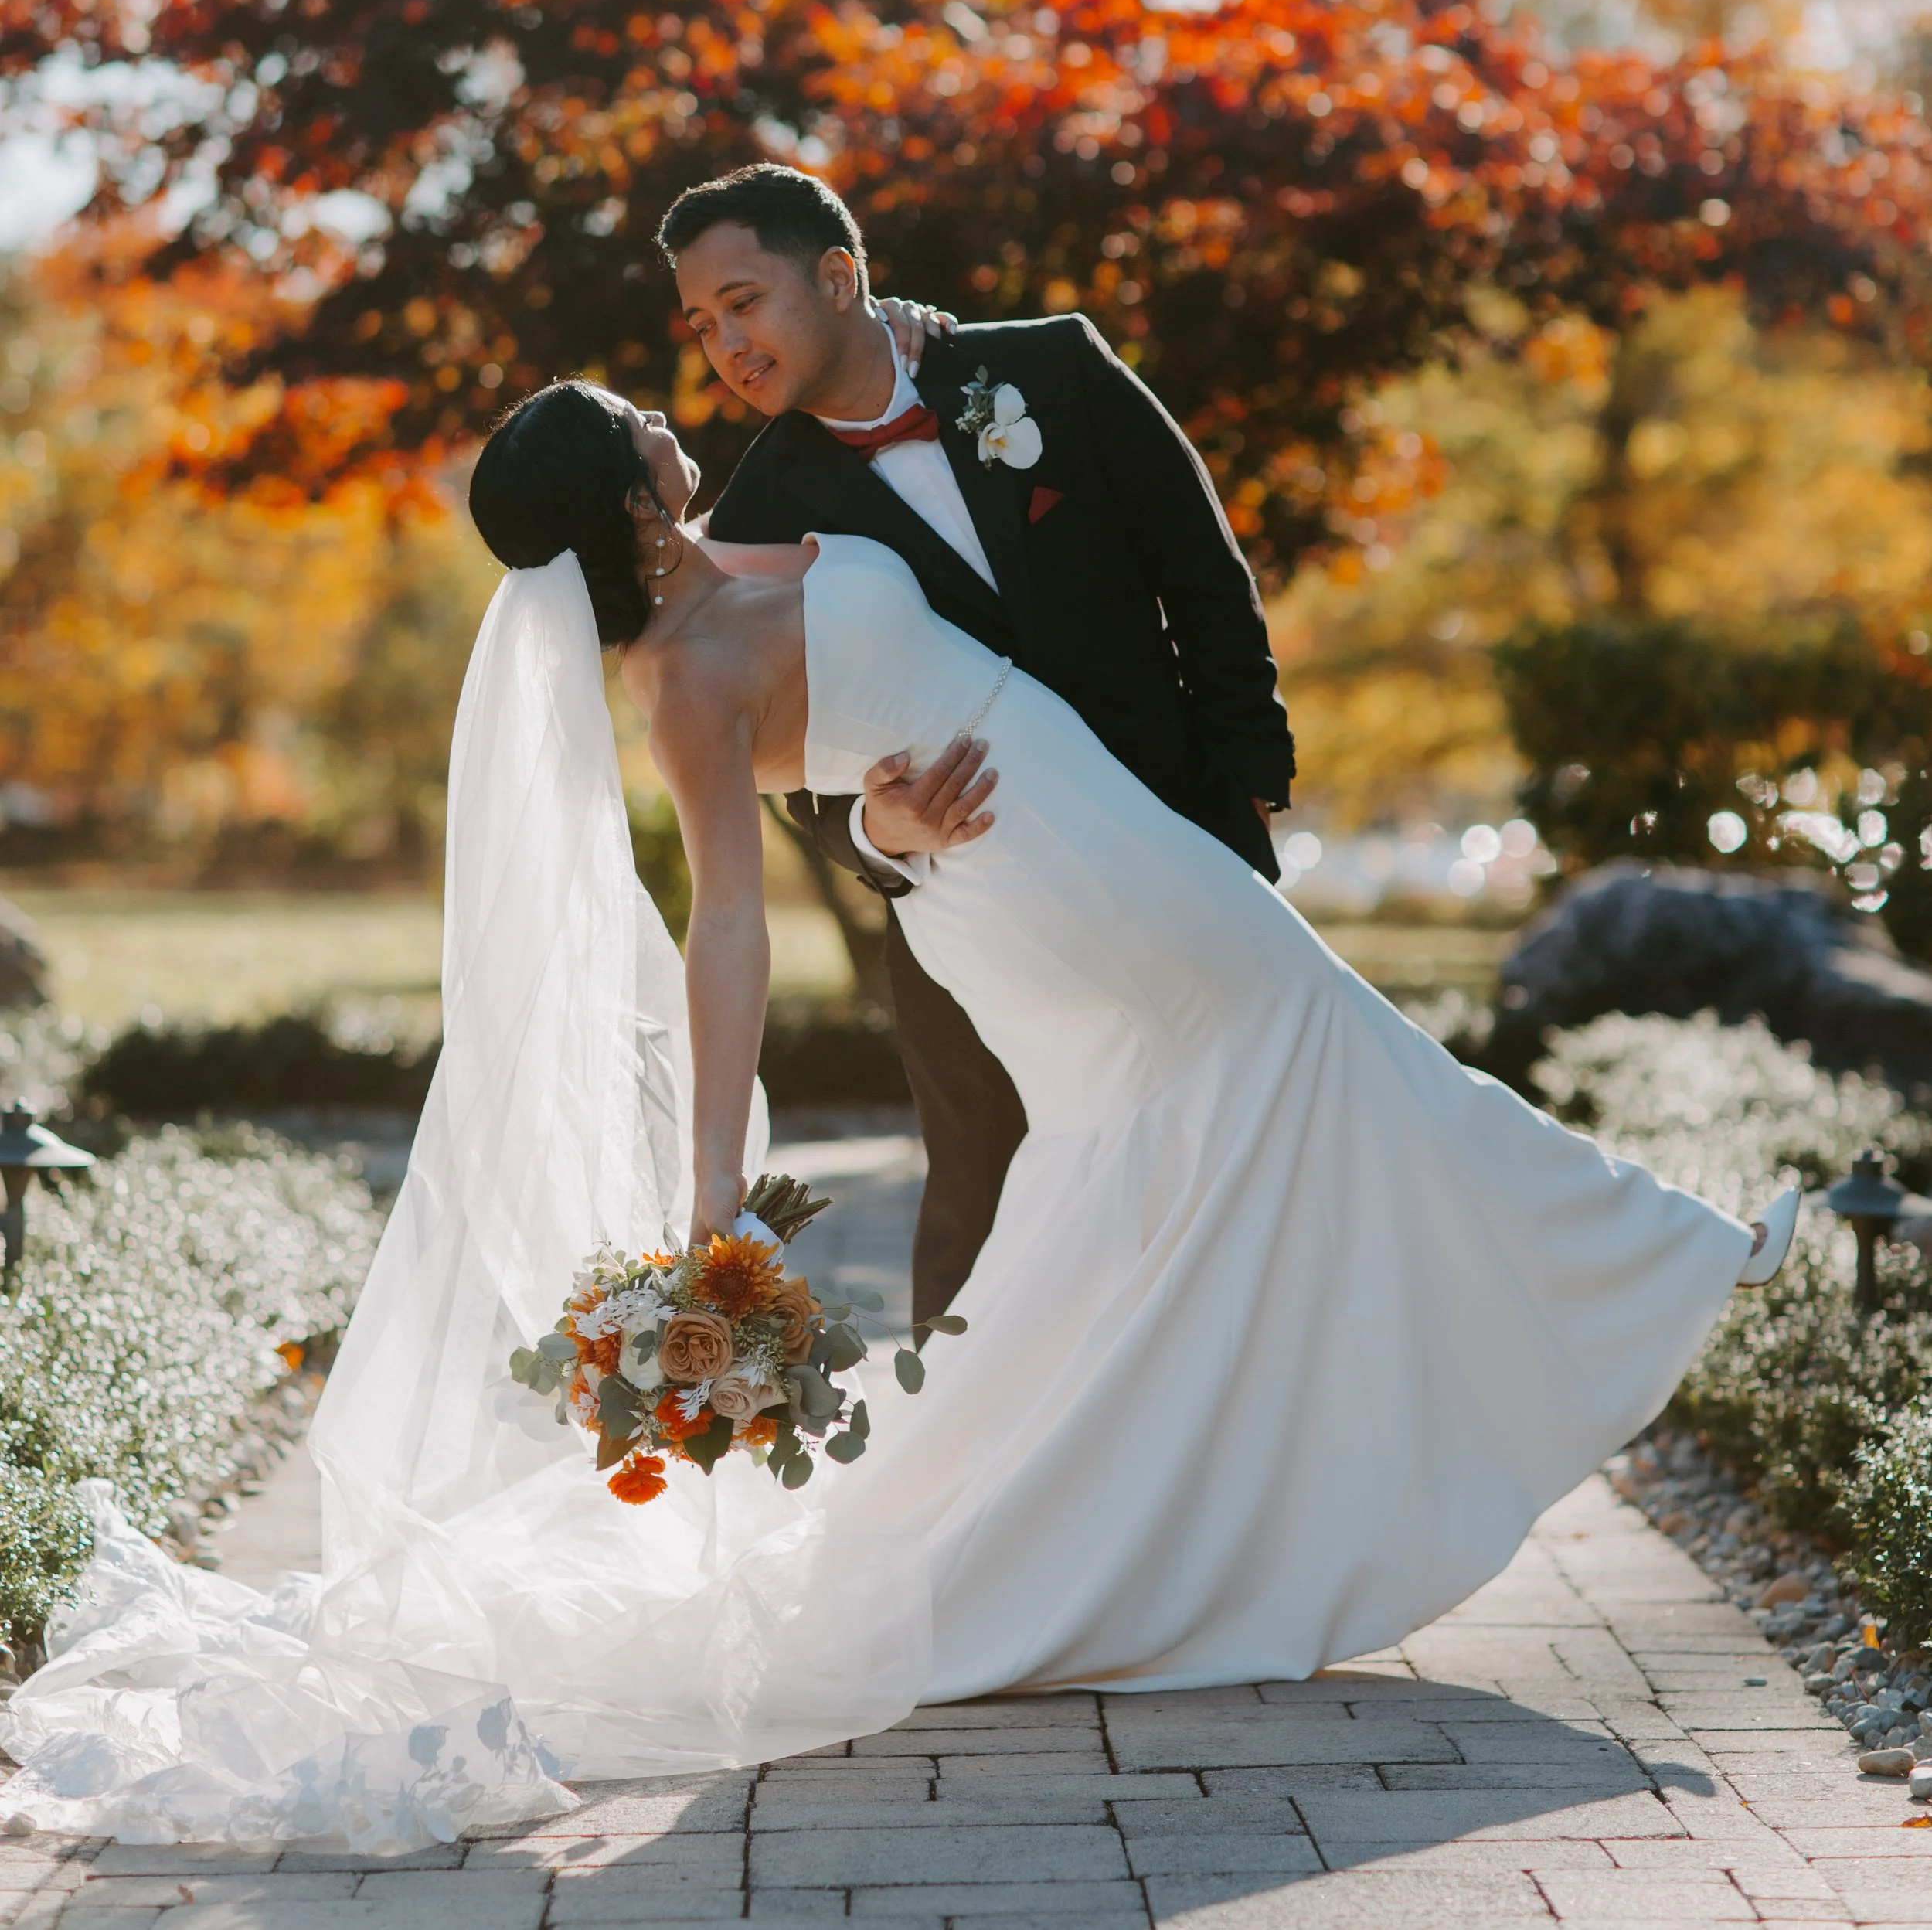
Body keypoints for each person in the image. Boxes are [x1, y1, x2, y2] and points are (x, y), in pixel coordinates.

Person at [0, 380, 1799, 1853]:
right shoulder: (678, 679)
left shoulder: (749, 542)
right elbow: (725, 918)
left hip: (1085, 822)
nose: (666, 397)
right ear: (622, 495)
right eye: (636, 410)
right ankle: (1656, 1260)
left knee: (1203, 1136)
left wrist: (876, 807)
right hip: (1035, 885)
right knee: (1316, 1053)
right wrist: (713, 1192)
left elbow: (896, 604)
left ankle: (1087, 1527)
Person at [659, 163, 1297, 1323]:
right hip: (968, 901)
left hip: (1176, 837)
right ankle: (964, 1489)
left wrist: (1247, 799)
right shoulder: (750, 524)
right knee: (985, 1207)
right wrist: (873, 829)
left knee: (1245, 1153)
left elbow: (1202, 577)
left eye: (743, 301)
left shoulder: (1050, 366)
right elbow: (783, 758)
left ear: (839, 275)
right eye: (704, 325)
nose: (727, 345)